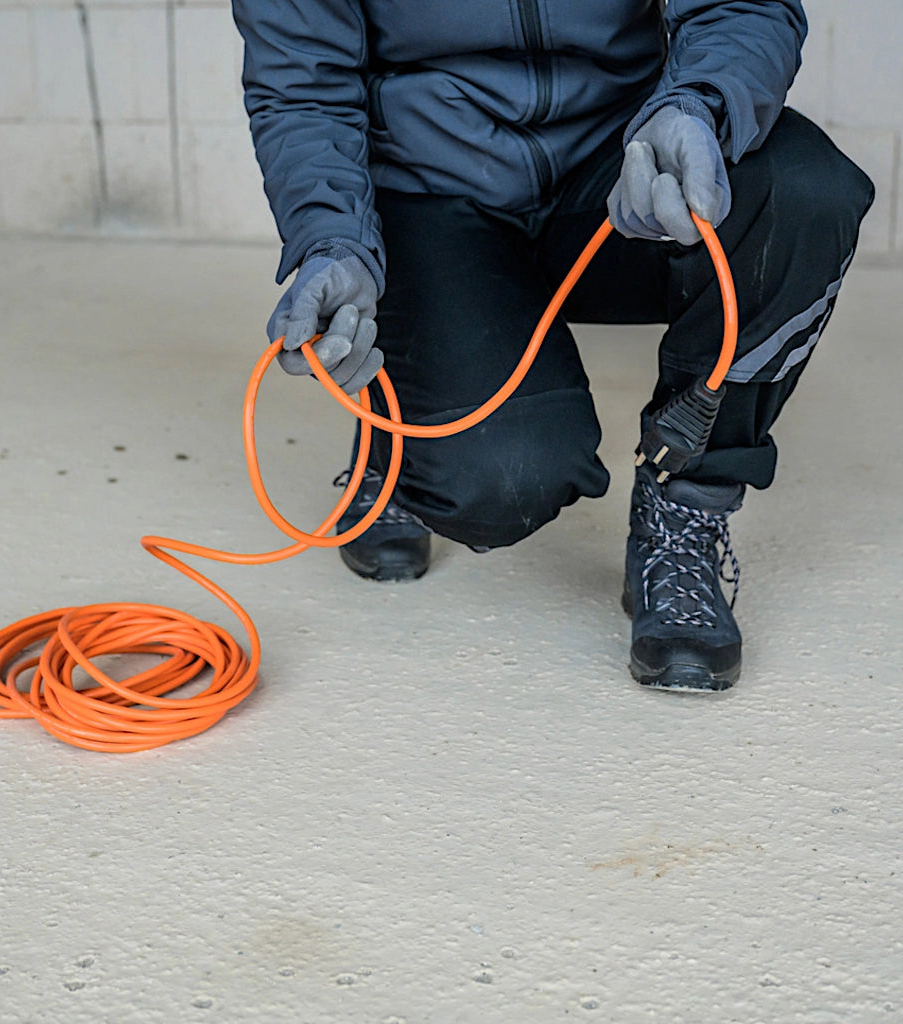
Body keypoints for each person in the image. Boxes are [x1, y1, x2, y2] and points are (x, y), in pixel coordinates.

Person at [230, 1, 873, 692]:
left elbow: (739, 5)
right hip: (431, 191)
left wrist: (695, 106)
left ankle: (685, 504)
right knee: (505, 477)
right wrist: (334, 240)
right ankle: (394, 442)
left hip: (620, 170)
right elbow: (301, 79)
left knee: (805, 195)